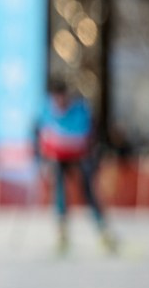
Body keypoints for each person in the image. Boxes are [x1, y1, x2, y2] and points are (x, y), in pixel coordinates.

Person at [38, 81, 116, 254]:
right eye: (57, 99)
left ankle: (103, 231)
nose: (60, 102)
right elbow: (41, 133)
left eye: (62, 98)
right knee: (59, 192)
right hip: (58, 158)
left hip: (79, 156)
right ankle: (62, 234)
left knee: (87, 191)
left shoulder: (79, 110)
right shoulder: (46, 109)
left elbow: (85, 133)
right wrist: (43, 154)